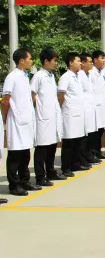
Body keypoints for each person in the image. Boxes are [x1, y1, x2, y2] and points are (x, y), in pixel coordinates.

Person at [2, 49, 40, 196]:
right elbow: (6, 99)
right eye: (29, 58)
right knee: (15, 155)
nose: (31, 61)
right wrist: (4, 118)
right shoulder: (12, 77)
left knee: (25, 153)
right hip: (16, 120)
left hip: (26, 120)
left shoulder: (25, 76)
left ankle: (25, 181)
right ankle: (14, 185)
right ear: (22, 60)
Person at [30, 48, 65, 187]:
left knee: (52, 145)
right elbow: (33, 95)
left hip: (52, 116)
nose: (56, 63)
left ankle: (50, 171)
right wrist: (39, 109)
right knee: (42, 147)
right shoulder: (38, 76)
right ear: (46, 61)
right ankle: (40, 176)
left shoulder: (50, 76)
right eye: (54, 60)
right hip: (43, 116)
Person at [58, 52, 88, 177]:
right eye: (78, 61)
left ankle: (76, 163)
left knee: (78, 141)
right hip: (69, 114)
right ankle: (66, 167)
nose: (80, 63)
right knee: (69, 143)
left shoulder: (77, 76)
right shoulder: (66, 77)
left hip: (78, 113)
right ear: (71, 63)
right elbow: (61, 95)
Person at [78, 53, 100, 166]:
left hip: (91, 108)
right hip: (84, 109)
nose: (92, 63)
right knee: (84, 137)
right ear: (83, 63)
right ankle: (83, 158)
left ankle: (89, 155)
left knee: (91, 135)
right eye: (90, 62)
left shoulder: (89, 74)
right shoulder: (80, 75)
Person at [90, 51, 105, 160]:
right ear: (95, 60)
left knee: (101, 130)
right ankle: (93, 152)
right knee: (95, 131)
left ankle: (97, 151)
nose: (103, 60)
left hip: (102, 105)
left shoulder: (100, 72)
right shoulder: (91, 73)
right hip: (95, 106)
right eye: (101, 58)